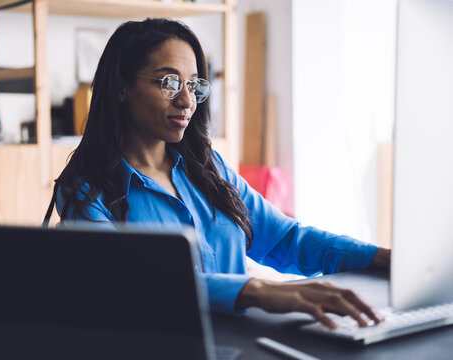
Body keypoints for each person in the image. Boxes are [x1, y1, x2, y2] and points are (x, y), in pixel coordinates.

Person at [45, 18, 391, 329]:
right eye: (169, 82)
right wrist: (254, 290)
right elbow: (130, 281)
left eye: (194, 84)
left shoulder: (208, 168)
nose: (186, 101)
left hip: (242, 345)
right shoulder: (86, 192)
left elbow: (286, 239)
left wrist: (379, 258)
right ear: (121, 87)